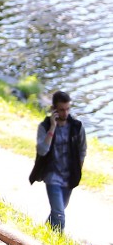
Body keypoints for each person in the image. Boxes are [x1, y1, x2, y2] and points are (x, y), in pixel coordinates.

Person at [29, 90, 87, 232]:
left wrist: (78, 170)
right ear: (53, 109)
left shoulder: (76, 127)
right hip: (52, 176)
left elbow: (82, 150)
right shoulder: (44, 127)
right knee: (60, 214)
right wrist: (52, 128)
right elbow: (42, 150)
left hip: (69, 176)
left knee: (58, 210)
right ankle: (58, 243)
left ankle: (44, 233)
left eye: (68, 109)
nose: (65, 113)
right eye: (61, 110)